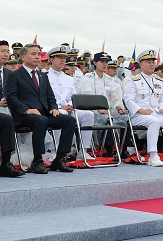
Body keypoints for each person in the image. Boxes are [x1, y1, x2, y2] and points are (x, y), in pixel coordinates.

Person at [5, 44, 77, 174]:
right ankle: (38, 160)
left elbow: (50, 96)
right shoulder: (14, 75)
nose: (37, 57)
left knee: (69, 120)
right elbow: (11, 98)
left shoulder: (43, 76)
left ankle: (60, 159)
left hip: (43, 114)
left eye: (38, 54)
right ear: (23, 56)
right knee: (41, 120)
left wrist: (54, 108)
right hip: (23, 116)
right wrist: (27, 110)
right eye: (33, 54)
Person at [46, 45, 95, 160]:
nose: (63, 60)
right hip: (53, 110)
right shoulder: (45, 76)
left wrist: (71, 106)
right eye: (59, 57)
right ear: (51, 59)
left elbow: (72, 96)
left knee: (88, 114)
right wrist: (62, 108)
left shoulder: (68, 78)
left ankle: (83, 150)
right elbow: (45, 99)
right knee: (60, 114)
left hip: (68, 109)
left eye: (64, 57)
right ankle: (55, 150)